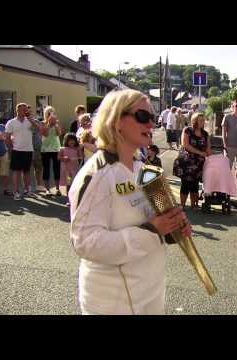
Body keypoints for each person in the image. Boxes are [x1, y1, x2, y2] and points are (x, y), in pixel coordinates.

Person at [68, 89, 191, 315]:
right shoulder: (96, 175)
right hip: (113, 302)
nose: (151, 124)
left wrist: (175, 227)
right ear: (116, 121)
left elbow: (160, 224)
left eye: (153, 118)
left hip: (149, 294)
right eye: (143, 117)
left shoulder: (145, 170)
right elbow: (84, 242)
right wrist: (152, 230)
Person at [5, 103, 40, 200]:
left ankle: (27, 190)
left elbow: (38, 129)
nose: (25, 111)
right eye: (23, 110)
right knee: (16, 172)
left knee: (27, 171)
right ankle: (16, 192)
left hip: (28, 150)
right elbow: (7, 137)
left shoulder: (29, 121)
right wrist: (10, 148)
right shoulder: (11, 122)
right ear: (17, 110)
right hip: (16, 150)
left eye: (26, 110)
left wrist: (30, 119)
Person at [178, 112, 211, 210]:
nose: (203, 122)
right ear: (195, 121)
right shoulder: (187, 130)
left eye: (203, 120)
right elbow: (186, 145)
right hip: (187, 161)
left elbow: (208, 148)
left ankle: (194, 205)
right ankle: (182, 205)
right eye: (201, 120)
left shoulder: (205, 134)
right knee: (185, 183)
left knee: (195, 185)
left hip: (199, 163)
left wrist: (214, 158)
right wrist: (200, 153)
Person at [40, 106, 63, 196]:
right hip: (45, 149)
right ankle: (47, 189)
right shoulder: (43, 123)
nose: (50, 115)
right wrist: (49, 124)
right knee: (46, 169)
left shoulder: (57, 123)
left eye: (52, 113)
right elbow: (44, 134)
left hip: (56, 148)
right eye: (48, 113)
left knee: (56, 169)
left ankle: (57, 189)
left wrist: (56, 125)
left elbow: (59, 133)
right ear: (46, 114)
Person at [59, 133, 81, 207]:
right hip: (67, 171)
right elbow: (59, 157)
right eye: (70, 141)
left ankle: (76, 199)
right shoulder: (62, 149)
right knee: (68, 184)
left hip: (75, 170)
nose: (72, 142)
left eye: (73, 140)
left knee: (75, 184)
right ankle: (69, 200)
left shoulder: (77, 148)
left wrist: (78, 156)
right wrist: (64, 158)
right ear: (66, 141)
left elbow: (81, 157)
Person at [27, 105, 44, 193]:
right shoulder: (22, 122)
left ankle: (39, 185)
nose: (28, 113)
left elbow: (40, 129)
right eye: (27, 112)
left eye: (30, 112)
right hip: (27, 149)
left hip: (37, 148)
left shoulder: (37, 121)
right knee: (28, 170)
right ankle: (28, 187)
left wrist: (31, 120)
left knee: (38, 168)